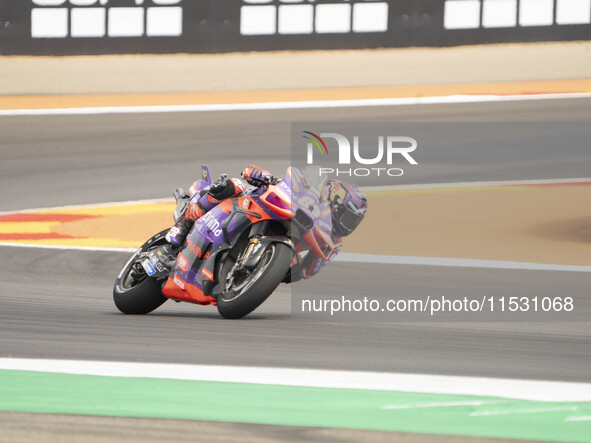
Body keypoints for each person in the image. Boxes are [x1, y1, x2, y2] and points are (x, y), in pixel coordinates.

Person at [166, 164, 368, 279]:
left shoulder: (333, 243)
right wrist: (259, 175)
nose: (348, 225)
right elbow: (283, 184)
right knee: (234, 185)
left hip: (281, 243)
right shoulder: (310, 194)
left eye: (354, 221)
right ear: (335, 202)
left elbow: (307, 271)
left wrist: (283, 269)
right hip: (256, 204)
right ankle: (183, 225)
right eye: (346, 217)